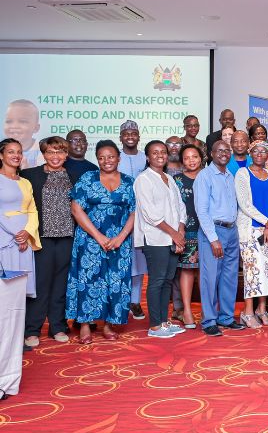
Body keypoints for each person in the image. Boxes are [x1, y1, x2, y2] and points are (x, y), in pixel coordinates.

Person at [66, 140, 136, 344]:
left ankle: (108, 324)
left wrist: (121, 237)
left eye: (111, 156)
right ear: (97, 159)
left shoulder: (130, 182)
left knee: (115, 281)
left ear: (119, 158)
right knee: (87, 280)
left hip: (119, 241)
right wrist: (99, 237)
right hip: (89, 240)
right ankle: (85, 325)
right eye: (102, 157)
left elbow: (134, 212)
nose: (107, 161)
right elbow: (76, 209)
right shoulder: (87, 178)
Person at [22, 137, 76, 346]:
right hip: (42, 238)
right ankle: (33, 329)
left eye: (60, 152)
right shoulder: (29, 176)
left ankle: (58, 326)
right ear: (43, 154)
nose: (56, 157)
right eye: (51, 152)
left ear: (66, 155)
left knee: (61, 284)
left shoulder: (73, 176)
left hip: (66, 237)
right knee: (41, 284)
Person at [134, 140, 187, 338]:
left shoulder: (169, 178)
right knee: (156, 281)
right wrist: (175, 234)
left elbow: (180, 207)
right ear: (147, 157)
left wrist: (180, 230)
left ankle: (164, 322)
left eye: (163, 152)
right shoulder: (143, 179)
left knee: (167, 281)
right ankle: (155, 325)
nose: (160, 155)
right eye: (155, 153)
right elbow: (150, 214)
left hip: (173, 239)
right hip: (155, 239)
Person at [194, 140, 245, 337]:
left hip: (231, 231)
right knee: (210, 278)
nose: (224, 153)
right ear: (211, 153)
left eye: (227, 150)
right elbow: (202, 210)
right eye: (219, 150)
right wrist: (213, 238)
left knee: (230, 277)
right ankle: (209, 320)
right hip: (213, 232)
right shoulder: (205, 176)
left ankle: (226, 317)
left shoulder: (229, 175)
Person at [235, 141, 268, 328]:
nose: (260, 154)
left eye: (264, 151)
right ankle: (247, 312)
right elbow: (245, 204)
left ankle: (261, 309)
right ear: (250, 153)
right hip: (250, 230)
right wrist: (266, 222)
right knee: (252, 271)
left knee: (267, 270)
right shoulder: (242, 174)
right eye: (256, 151)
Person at [0, 139, 39, 310]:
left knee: (20, 290)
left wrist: (27, 232)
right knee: (5, 287)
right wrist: (17, 235)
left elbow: (32, 211)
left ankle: (16, 333)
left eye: (19, 152)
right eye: (11, 151)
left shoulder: (25, 182)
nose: (16, 155)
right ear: (1, 155)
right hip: (5, 240)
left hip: (24, 242)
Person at [117, 120, 147, 322]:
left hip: (144, 216)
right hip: (119, 215)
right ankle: (120, 300)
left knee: (139, 261)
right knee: (121, 259)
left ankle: (135, 301)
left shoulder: (146, 157)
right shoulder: (115, 158)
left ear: (138, 136)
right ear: (121, 137)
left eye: (133, 133)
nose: (130, 136)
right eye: (126, 133)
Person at [173, 144, 204, 329]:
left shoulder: (209, 176)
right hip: (188, 230)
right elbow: (174, 208)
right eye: (187, 157)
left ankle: (208, 310)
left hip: (209, 231)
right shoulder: (176, 180)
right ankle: (186, 310)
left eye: (194, 156)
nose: (191, 160)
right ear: (182, 161)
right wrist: (178, 230)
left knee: (206, 273)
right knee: (187, 270)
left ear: (201, 158)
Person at [4, 99, 43, 168]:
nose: (14, 126)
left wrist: (25, 170)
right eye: (9, 121)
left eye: (22, 121)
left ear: (36, 128)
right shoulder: (2, 149)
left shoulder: (41, 151)